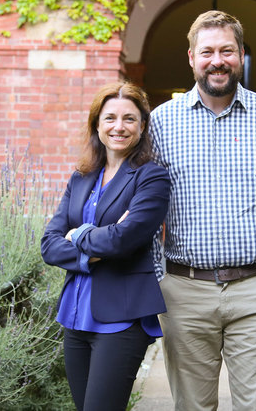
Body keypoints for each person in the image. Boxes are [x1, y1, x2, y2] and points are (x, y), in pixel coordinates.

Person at [149, 10, 256, 410]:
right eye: (207, 52)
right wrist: (158, 277)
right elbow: (146, 205)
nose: (217, 60)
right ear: (191, 58)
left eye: (227, 51)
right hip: (184, 291)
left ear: (241, 56)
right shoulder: (161, 123)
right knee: (193, 406)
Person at [41, 81, 171, 411]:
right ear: (97, 124)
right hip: (75, 313)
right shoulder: (81, 176)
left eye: (130, 118)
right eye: (110, 117)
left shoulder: (151, 177)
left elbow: (124, 240)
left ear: (142, 126)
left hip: (122, 317)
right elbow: (49, 245)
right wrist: (96, 249)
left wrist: (79, 234)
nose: (119, 127)